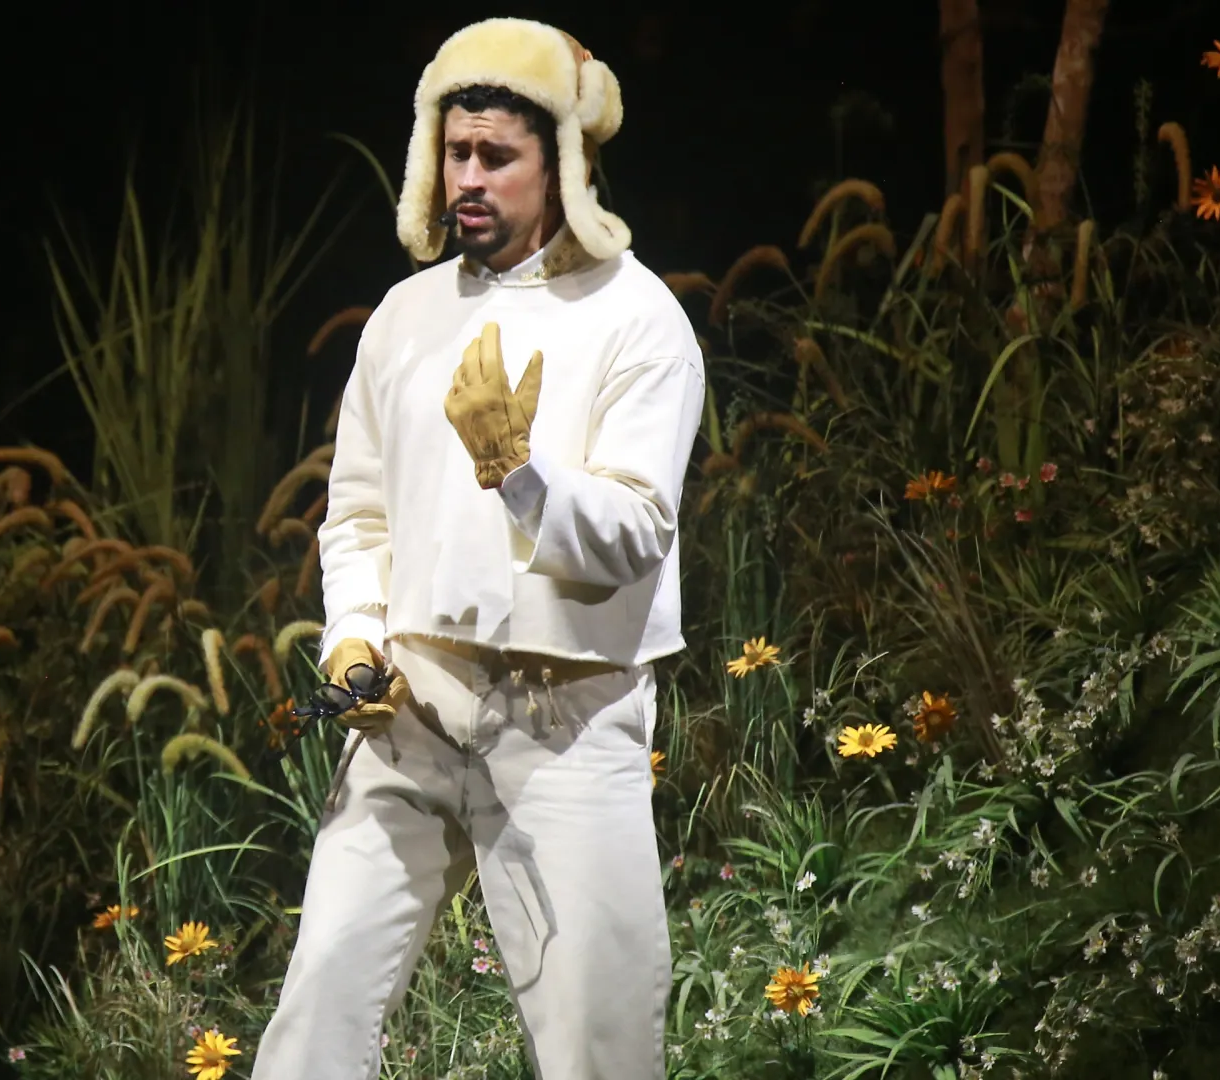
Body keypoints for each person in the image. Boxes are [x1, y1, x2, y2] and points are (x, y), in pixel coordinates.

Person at [251, 17, 703, 1080]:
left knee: (600, 1043)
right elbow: (358, 512)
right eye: (455, 152)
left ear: (563, 164)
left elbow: (637, 532)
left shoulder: (639, 319)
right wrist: (353, 638)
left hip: (565, 721)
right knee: (315, 1011)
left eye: (497, 156)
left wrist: (522, 478)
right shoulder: (404, 319)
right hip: (410, 712)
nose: (469, 178)